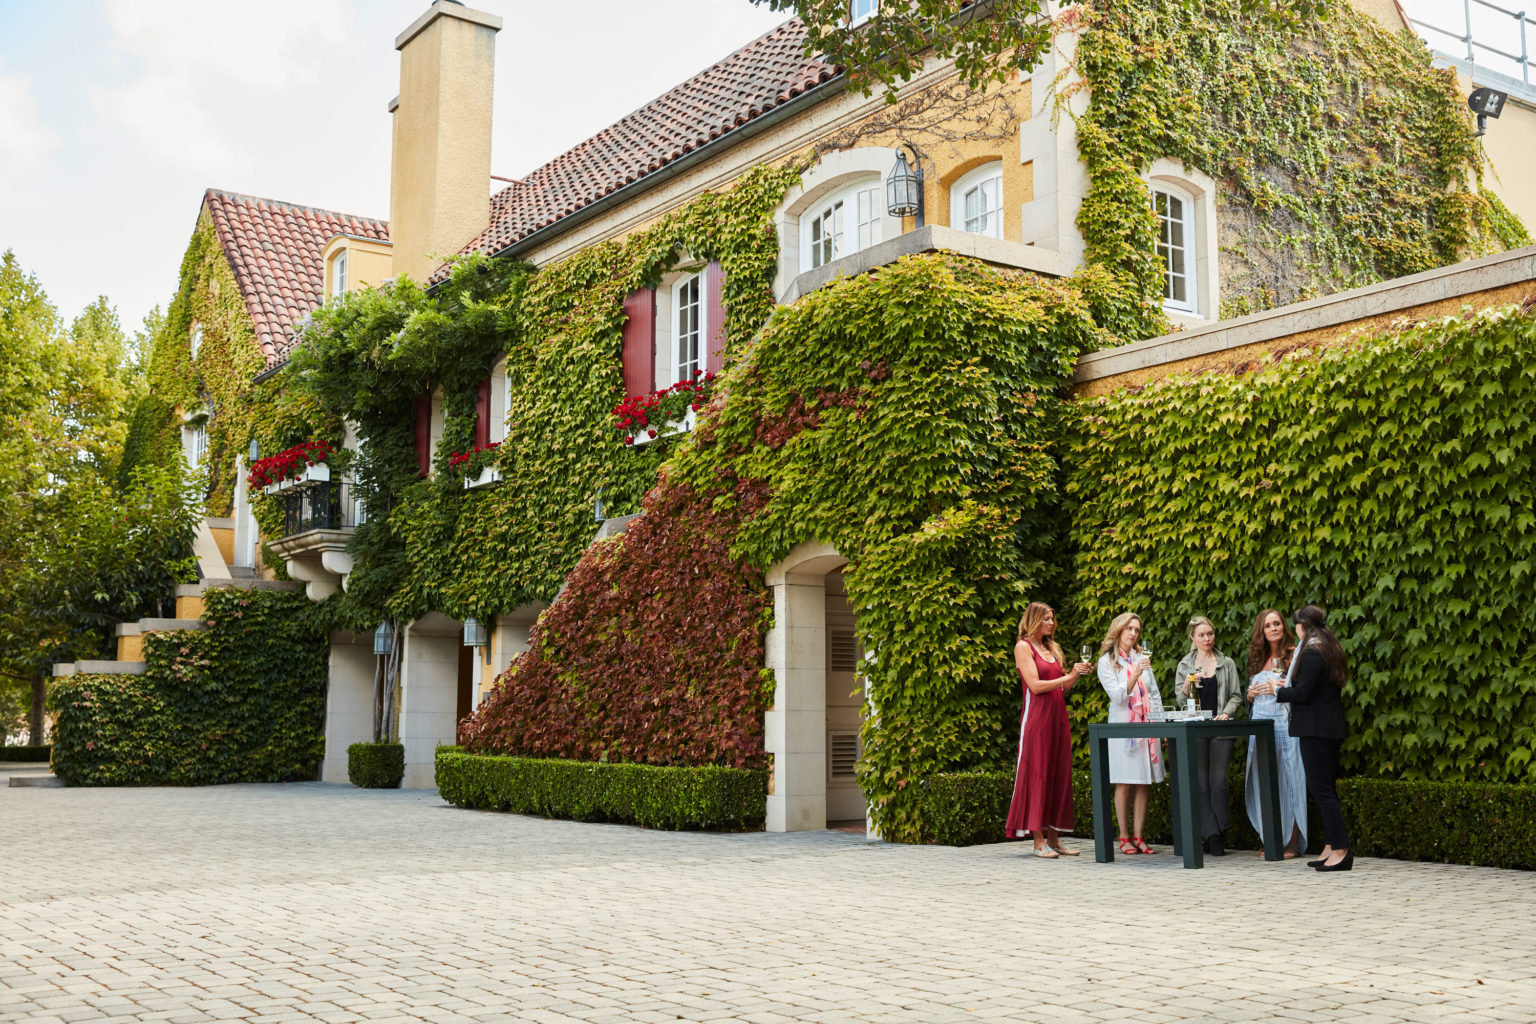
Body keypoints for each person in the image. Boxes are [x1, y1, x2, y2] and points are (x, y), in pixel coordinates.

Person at [1005, 603, 1092, 858]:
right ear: (1033, 620)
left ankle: (1054, 839)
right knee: (1039, 775)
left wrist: (1075, 674)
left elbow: (1062, 688)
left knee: (1059, 775)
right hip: (1037, 719)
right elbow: (1035, 685)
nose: (1051, 623)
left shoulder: (1052, 648)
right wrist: (1066, 677)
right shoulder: (1023, 647)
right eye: (1046, 619)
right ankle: (1038, 841)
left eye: (1052, 619)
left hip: (1058, 717)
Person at [1272, 604, 1352, 872]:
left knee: (1322, 791)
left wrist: (1277, 691)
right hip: (1329, 727)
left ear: (1302, 626)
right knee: (1326, 789)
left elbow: (1303, 693)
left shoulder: (1311, 652)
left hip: (1316, 729)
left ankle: (1341, 850)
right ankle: (1330, 846)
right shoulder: (1328, 647)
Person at [1171, 616, 1243, 856]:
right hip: (1196, 728)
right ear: (1192, 637)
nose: (1207, 638)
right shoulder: (1185, 665)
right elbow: (1180, 701)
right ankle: (1213, 836)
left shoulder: (1226, 663)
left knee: (1218, 782)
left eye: (1210, 633)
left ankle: (1218, 830)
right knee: (1201, 784)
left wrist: (1226, 713)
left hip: (1220, 728)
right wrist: (1186, 685)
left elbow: (1236, 695)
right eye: (1201, 635)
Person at [1097, 612, 1164, 855]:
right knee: (1124, 781)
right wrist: (1135, 673)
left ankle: (1139, 836)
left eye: (1137, 630)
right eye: (1129, 628)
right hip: (1123, 728)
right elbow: (1117, 696)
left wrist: (1160, 724)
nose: (1134, 633)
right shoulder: (1107, 661)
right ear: (1119, 630)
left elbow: (1153, 694)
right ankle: (1124, 836)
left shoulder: (1141, 658)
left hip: (1146, 726)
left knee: (1144, 782)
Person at [1243, 609, 1306, 858]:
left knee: (1290, 780)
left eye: (1277, 623)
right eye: (1268, 626)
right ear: (1262, 631)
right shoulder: (1257, 659)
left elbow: (1301, 690)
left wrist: (1282, 687)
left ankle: (1292, 842)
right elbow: (1250, 699)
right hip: (1259, 725)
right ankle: (1271, 837)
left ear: (1284, 626)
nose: (1274, 628)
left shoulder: (1293, 654)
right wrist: (1250, 696)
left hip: (1285, 724)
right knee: (1263, 781)